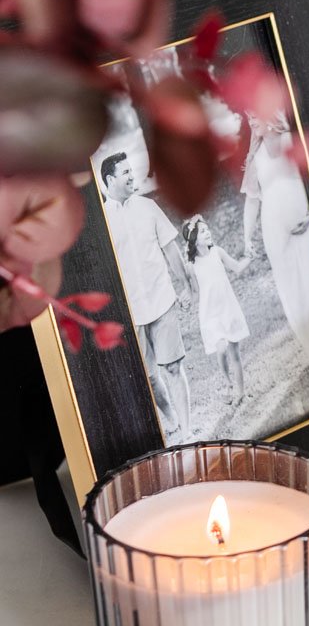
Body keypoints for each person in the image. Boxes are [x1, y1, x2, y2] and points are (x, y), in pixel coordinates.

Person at [99, 152, 193, 440]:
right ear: (109, 179)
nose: (132, 176)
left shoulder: (148, 207)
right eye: (125, 172)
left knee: (173, 367)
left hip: (162, 298)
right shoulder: (102, 221)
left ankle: (188, 433)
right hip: (131, 311)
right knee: (149, 376)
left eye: (131, 170)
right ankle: (172, 419)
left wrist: (186, 286)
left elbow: (170, 249)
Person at [242, 114, 309, 369]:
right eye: (248, 117)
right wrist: (247, 236)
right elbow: (252, 201)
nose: (251, 120)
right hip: (274, 231)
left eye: (255, 114)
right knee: (294, 290)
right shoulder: (255, 157)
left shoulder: (291, 141)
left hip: (304, 222)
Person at [183, 214, 251, 397]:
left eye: (207, 229)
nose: (208, 232)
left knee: (235, 354)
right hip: (210, 314)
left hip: (228, 308)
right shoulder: (192, 265)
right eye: (203, 231)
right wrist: (187, 300)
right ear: (194, 238)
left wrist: (249, 258)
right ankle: (227, 380)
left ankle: (241, 393)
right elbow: (195, 292)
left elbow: (236, 267)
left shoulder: (217, 252)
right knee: (220, 348)